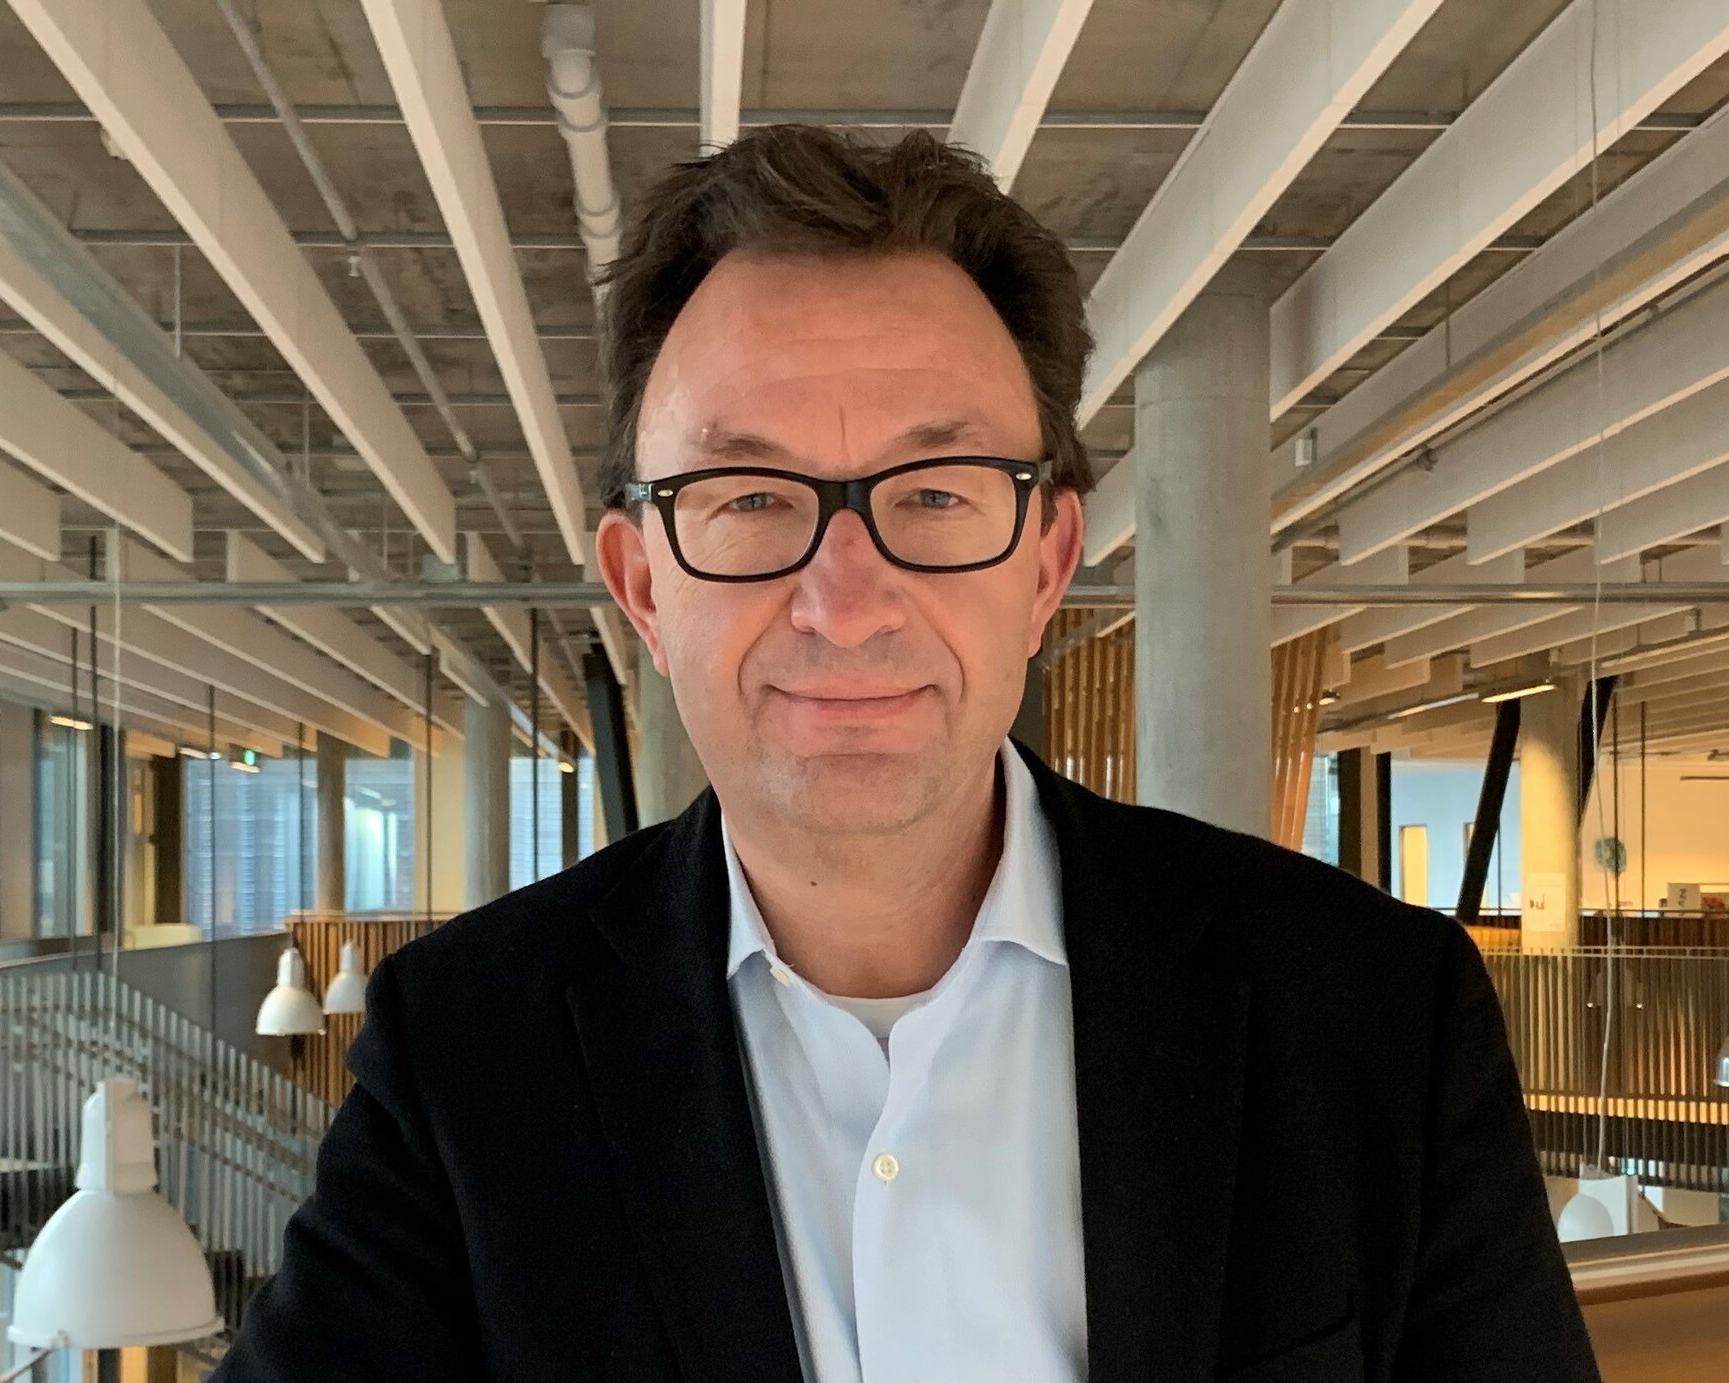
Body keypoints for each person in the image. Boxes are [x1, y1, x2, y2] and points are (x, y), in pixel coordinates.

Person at [216, 126, 1599, 1383]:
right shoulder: (468, 1052)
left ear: (1046, 563)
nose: (845, 601)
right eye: (748, 498)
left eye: (935, 493)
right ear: (642, 587)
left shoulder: (1376, 1016)